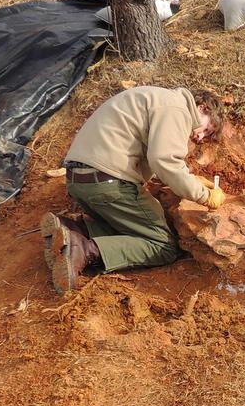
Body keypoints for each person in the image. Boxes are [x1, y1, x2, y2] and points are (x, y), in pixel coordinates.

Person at [41, 86, 227, 293]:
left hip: (80, 181)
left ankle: (70, 230)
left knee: (134, 228)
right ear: (202, 108)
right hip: (108, 184)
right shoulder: (178, 109)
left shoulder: (158, 99)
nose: (200, 138)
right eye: (206, 130)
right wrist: (204, 196)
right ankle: (83, 250)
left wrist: (190, 179)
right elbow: (165, 161)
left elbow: (153, 160)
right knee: (163, 245)